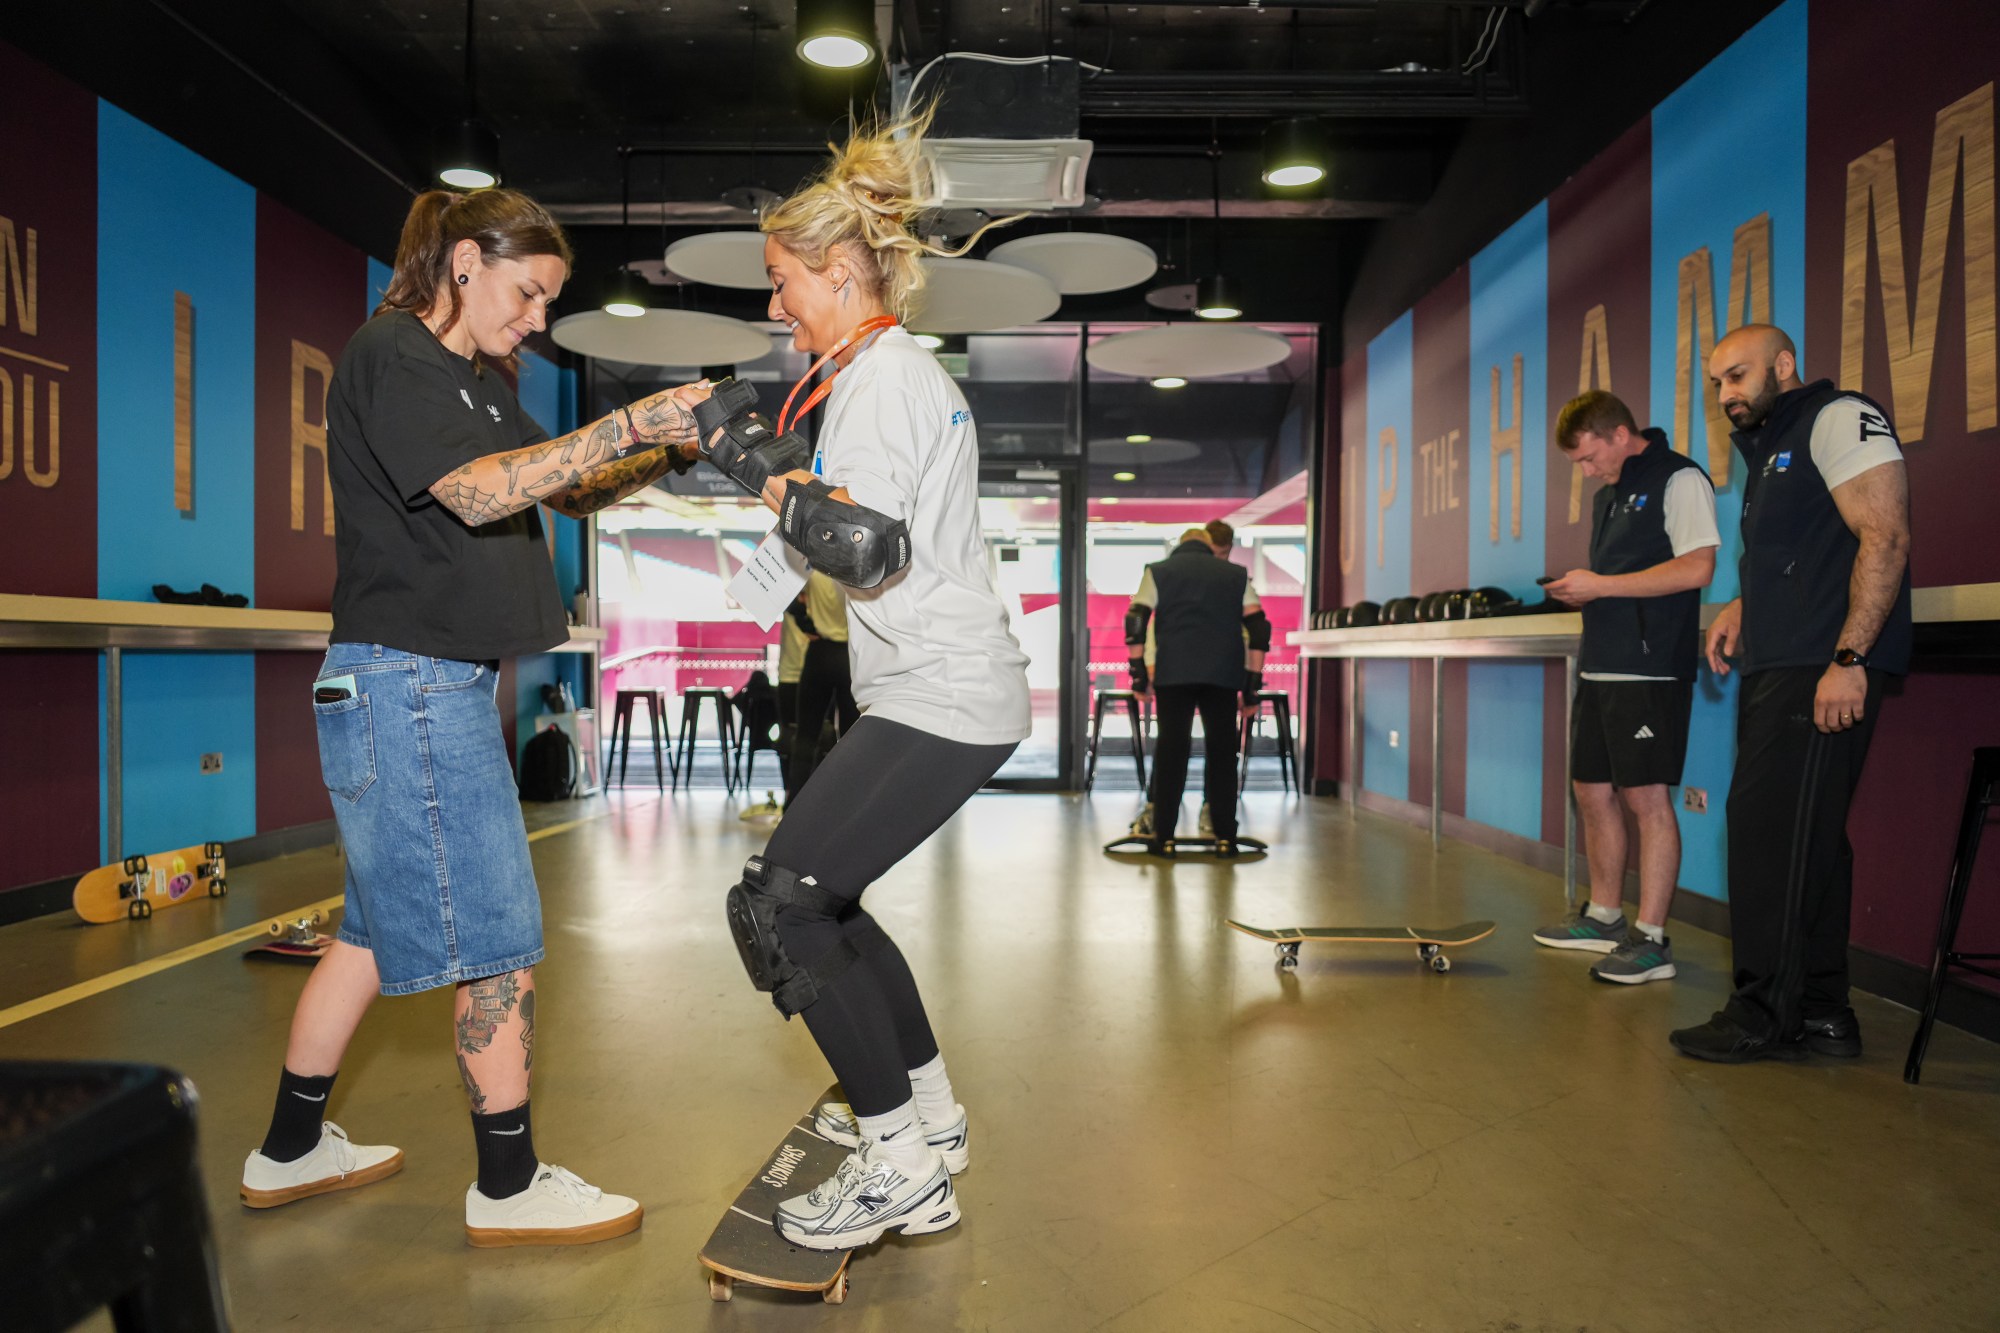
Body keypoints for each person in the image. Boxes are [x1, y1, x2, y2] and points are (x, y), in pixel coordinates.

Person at [239, 187, 706, 1245]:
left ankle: (291, 1147)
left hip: (417, 685)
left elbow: (565, 486)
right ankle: (508, 1184)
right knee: (497, 937)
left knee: (368, 934)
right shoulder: (393, 355)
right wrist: (627, 419)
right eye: (528, 292)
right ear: (464, 262)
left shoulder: (473, 381)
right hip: (411, 684)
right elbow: (480, 492)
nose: (538, 318)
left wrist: (669, 446)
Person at [698, 110, 1031, 1252]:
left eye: (782, 280)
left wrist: (752, 465)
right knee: (823, 897)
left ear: (839, 269)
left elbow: (864, 552)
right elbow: (845, 533)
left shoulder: (882, 379)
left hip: (943, 688)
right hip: (936, 687)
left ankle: (900, 1165)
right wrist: (782, 484)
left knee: (781, 906)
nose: (774, 305)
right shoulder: (879, 376)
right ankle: (929, 1121)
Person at [1670, 323, 1912, 1062]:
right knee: (1812, 840)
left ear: (1784, 364)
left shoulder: (1838, 415)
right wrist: (1745, 605)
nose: (1726, 394)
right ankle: (1823, 1010)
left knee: (1768, 834)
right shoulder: (1772, 447)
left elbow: (1885, 536)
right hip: (1784, 661)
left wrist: (1849, 657)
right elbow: (1801, 548)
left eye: (1738, 376)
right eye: (1717, 383)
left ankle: (1759, 1015)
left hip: (1820, 665)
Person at [1535, 390, 1717, 984]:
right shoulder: (1609, 495)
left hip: (1649, 668)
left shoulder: (1679, 478)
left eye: (1590, 457)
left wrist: (1602, 586)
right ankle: (1605, 917)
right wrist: (1581, 590)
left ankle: (1652, 939)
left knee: (1646, 799)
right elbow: (1618, 579)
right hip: (1600, 664)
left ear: (1619, 433)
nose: (1588, 471)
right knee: (1590, 790)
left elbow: (1698, 567)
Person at [1124, 528, 1271, 856]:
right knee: (1222, 752)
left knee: (1172, 750)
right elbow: (1259, 629)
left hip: (1173, 673)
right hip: (1224, 674)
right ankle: (1225, 836)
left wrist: (1138, 675)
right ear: (1209, 546)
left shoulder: (1158, 571)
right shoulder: (1236, 575)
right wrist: (1251, 687)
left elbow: (1136, 620)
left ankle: (1164, 837)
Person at [788, 568, 860, 799]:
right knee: (851, 737)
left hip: (819, 653)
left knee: (806, 734)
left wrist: (805, 624)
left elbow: (787, 598)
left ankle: (794, 804)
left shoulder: (813, 564)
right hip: (850, 655)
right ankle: (849, 802)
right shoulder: (856, 567)